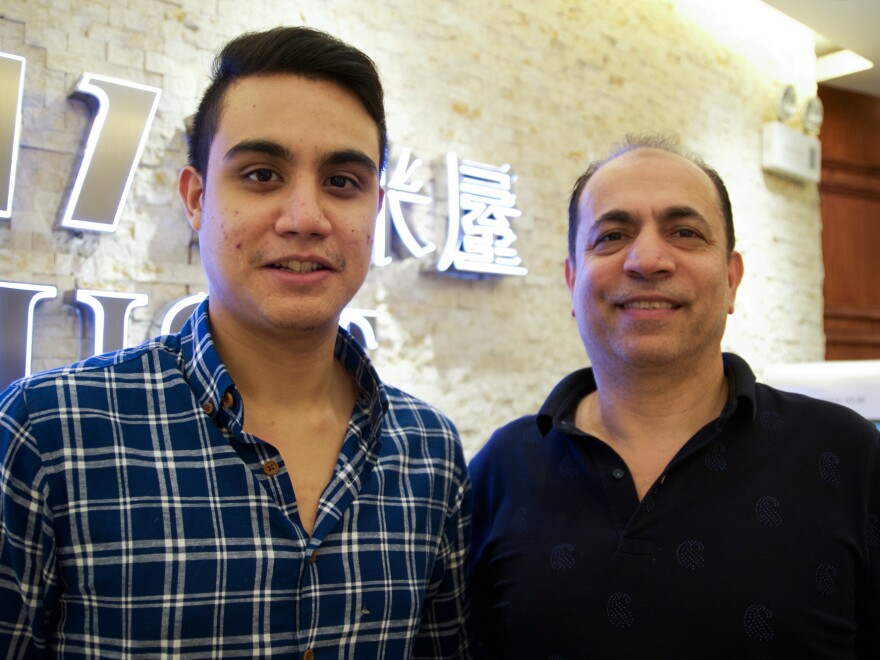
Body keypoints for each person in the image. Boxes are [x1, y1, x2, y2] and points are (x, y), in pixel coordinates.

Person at [0, 27, 471, 658]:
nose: (305, 217)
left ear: (375, 208)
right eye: (261, 174)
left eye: (342, 182)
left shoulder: (429, 450)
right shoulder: (50, 430)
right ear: (196, 198)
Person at [468, 135, 879, 658]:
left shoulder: (845, 456)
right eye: (612, 235)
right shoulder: (501, 471)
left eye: (685, 232)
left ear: (732, 280)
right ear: (572, 280)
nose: (647, 259)